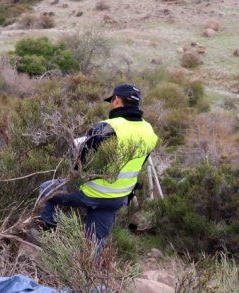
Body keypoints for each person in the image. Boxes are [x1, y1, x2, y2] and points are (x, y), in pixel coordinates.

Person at [36, 84, 158, 242]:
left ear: (116, 101)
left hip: (91, 193)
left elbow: (79, 165)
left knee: (46, 188)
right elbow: (138, 165)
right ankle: (90, 264)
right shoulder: (149, 130)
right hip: (117, 198)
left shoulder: (106, 127)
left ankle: (49, 232)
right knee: (95, 242)